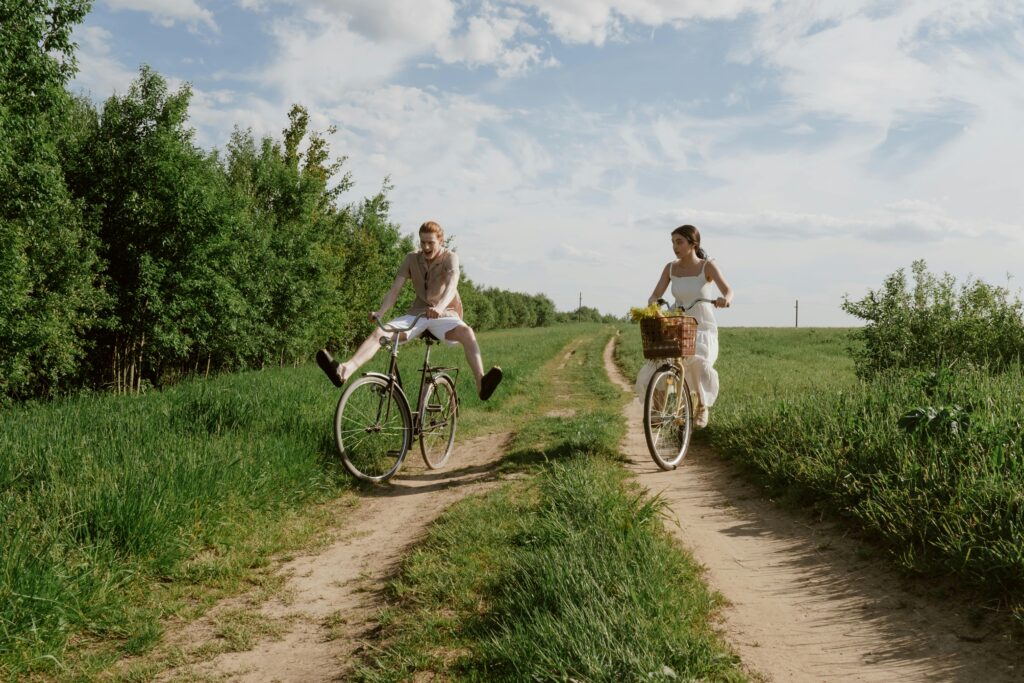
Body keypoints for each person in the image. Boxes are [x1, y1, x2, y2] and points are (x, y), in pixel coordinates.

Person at [316, 220, 503, 400]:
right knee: (381, 332)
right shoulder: (411, 258)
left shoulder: (450, 257)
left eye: (431, 243)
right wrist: (381, 312)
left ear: (441, 241)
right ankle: (344, 370)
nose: (426, 247)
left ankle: (481, 383)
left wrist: (439, 307)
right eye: (423, 242)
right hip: (418, 314)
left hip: (444, 313)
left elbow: (452, 284)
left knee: (467, 333)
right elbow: (395, 289)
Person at [636, 224, 733, 428]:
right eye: (672, 242)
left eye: (679, 242)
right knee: (659, 361)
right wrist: (653, 303)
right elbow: (655, 294)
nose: (674, 246)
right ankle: (658, 408)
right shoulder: (670, 268)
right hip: (679, 324)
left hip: (703, 327)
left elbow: (728, 290)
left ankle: (701, 407)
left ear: (693, 243)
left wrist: (725, 299)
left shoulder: (707, 266)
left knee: (697, 358)